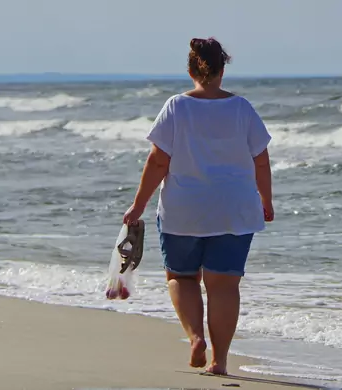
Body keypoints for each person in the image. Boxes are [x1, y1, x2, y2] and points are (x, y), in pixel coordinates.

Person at [123, 37, 273, 375]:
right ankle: (219, 362)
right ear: (222, 71)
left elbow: (158, 161)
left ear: (191, 69)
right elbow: (261, 161)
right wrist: (266, 200)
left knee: (181, 276)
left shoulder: (177, 106)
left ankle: (195, 338)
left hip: (183, 210)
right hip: (234, 210)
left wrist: (138, 205)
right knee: (223, 285)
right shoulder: (242, 108)